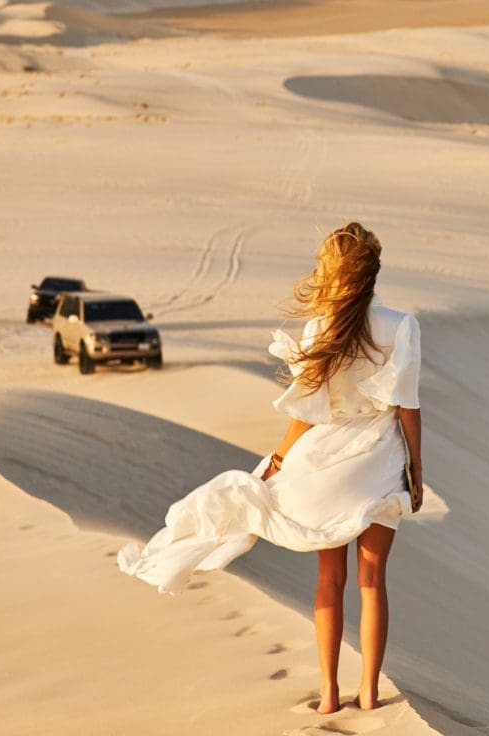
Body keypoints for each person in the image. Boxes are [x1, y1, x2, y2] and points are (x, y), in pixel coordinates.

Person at [117, 221, 423, 715]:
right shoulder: (401, 325)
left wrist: (276, 464)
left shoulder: (319, 330)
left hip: (323, 464)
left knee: (330, 579)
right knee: (373, 581)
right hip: (380, 461)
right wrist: (416, 472)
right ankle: (368, 693)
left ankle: (327, 696)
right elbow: (407, 407)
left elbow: (305, 416)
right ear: (373, 271)